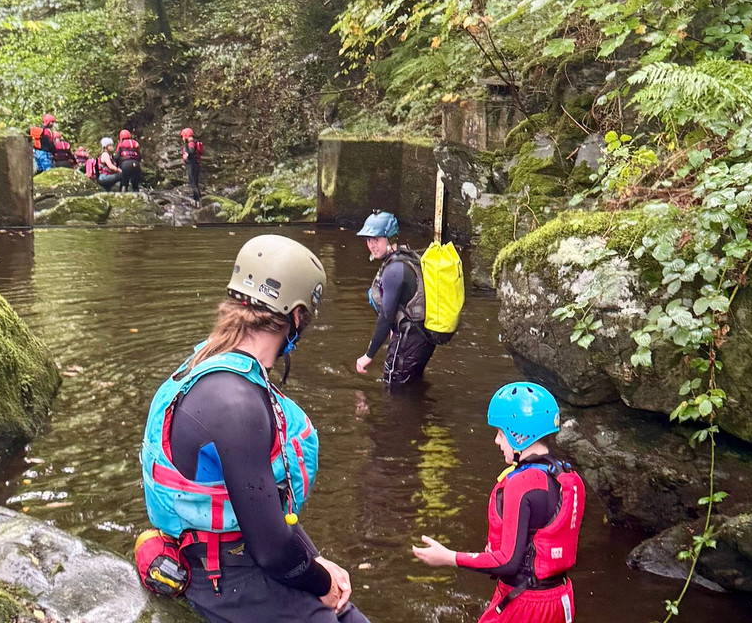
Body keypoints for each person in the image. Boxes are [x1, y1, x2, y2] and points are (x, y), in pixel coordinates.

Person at [139, 235, 371, 623]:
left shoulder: (212, 359)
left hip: (240, 550)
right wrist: (320, 581)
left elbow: (265, 520)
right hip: (220, 575)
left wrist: (315, 564)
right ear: (297, 316)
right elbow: (273, 552)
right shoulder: (237, 405)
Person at [413, 382, 586, 623]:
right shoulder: (567, 477)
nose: (497, 441)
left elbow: (507, 562)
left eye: (501, 433)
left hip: (526, 603)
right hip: (560, 599)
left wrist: (449, 557)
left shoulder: (522, 484)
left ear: (519, 435)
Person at [353, 210, 436, 389]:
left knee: (394, 392)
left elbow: (386, 317)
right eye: (368, 240)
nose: (372, 245)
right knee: (414, 388)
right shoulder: (406, 258)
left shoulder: (393, 270)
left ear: (390, 238)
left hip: (407, 342)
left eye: (376, 239)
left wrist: (369, 355)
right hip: (423, 340)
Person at [181, 127, 203, 203]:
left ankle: (196, 200)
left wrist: (187, 155)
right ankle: (199, 199)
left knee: (193, 183)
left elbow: (191, 151)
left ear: (186, 136)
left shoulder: (191, 143)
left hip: (192, 164)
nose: (182, 138)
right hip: (196, 164)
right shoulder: (194, 142)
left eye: (183, 136)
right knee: (195, 183)